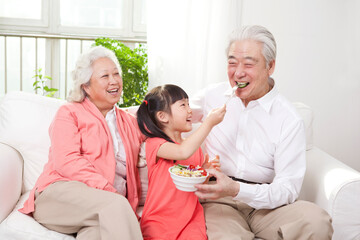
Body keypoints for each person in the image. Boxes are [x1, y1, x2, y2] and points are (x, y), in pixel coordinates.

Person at [191, 25, 334, 239]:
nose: (238, 72)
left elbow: (287, 189)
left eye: (248, 63)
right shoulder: (212, 96)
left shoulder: (289, 118)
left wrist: (238, 189)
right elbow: (167, 114)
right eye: (232, 63)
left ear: (270, 66)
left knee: (316, 221)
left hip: (268, 204)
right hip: (219, 199)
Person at [19, 46, 144, 240]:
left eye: (116, 74)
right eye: (105, 76)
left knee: (97, 233)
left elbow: (158, 143)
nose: (114, 81)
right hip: (58, 196)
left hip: (99, 206)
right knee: (116, 206)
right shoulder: (69, 113)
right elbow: (66, 160)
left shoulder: (129, 121)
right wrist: (108, 190)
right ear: (86, 86)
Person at [136, 84, 225, 240]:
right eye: (183, 105)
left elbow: (194, 184)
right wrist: (209, 123)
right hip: (159, 222)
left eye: (188, 104)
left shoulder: (193, 148)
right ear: (162, 116)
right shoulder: (155, 144)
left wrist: (205, 170)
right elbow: (182, 152)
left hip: (191, 221)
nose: (190, 110)